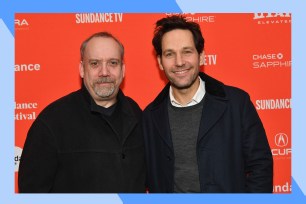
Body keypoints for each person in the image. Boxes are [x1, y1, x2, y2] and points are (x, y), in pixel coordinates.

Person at [143, 15, 273, 193]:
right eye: (169, 54)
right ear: (160, 62)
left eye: (187, 51)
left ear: (201, 57)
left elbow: (261, 166)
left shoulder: (237, 104)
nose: (179, 62)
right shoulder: (149, 117)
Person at [18, 32, 146, 193]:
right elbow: (32, 193)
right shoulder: (52, 122)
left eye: (113, 63)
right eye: (94, 64)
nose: (104, 72)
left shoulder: (137, 114)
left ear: (123, 69)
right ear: (82, 69)